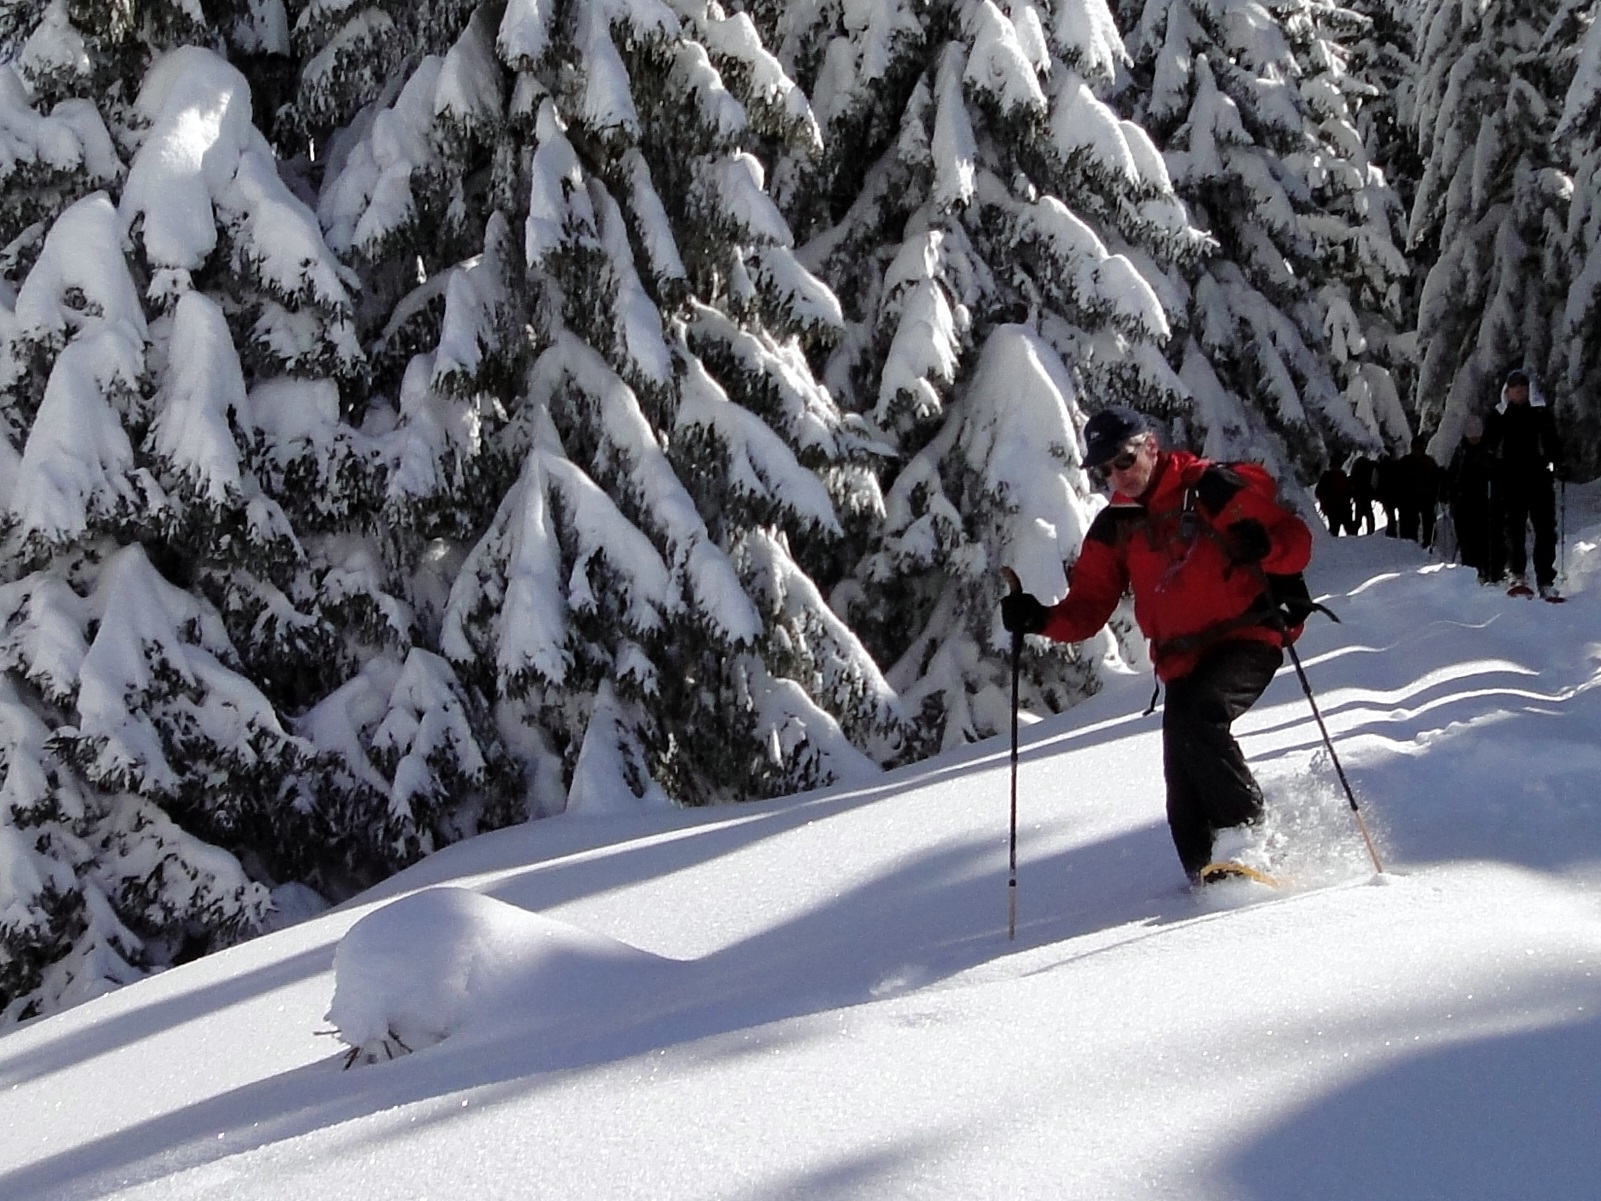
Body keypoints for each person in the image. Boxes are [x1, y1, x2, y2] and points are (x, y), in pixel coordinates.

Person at [1000, 407, 1313, 884]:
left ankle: (1248, 840)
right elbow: (1087, 609)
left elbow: (1297, 541)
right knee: (1184, 798)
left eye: (1123, 461)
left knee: (1198, 717)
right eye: (1104, 470)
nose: (1115, 477)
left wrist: (1265, 546)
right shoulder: (1115, 526)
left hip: (1248, 633)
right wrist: (1039, 618)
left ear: (1151, 446)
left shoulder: (1210, 489)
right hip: (1182, 661)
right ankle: (1214, 884)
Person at [1483, 367, 1565, 599]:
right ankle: (1517, 574)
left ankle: (1545, 579)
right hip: (1510, 480)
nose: (1519, 392)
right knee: (1514, 529)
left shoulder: (1540, 413)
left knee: (1545, 530)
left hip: (1538, 478)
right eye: (1515, 389)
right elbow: (1488, 445)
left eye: (1523, 388)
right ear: (1507, 392)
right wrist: (1489, 463)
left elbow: (1552, 442)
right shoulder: (1498, 415)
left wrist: (1560, 462)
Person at [1445, 414, 1503, 583]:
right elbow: (1453, 475)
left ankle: (1494, 573)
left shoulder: (1489, 450)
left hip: (1487, 503)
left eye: (1477, 435)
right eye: (1471, 436)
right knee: (1468, 541)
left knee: (1490, 540)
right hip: (1465, 504)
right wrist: (1449, 488)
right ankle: (1472, 573)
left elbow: (1499, 473)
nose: (1474, 439)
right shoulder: (1461, 452)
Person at [1396, 435, 1443, 549]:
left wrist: (1440, 479)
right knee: (1409, 523)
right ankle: (1408, 544)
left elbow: (1436, 479)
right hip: (1409, 499)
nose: (1418, 451)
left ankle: (1428, 542)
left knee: (1428, 521)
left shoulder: (1429, 462)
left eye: (1420, 448)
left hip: (1426, 497)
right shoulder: (1405, 462)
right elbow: (1398, 480)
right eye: (1416, 448)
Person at [1314, 464, 1355, 535]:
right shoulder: (1343, 475)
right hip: (1345, 508)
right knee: (1350, 531)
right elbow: (1351, 491)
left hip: (1332, 509)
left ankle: (1334, 545)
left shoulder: (1326, 477)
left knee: (1334, 531)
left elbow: (1318, 492)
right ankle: (1356, 545)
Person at [1348, 454, 1379, 534]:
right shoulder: (1370, 466)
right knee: (1369, 514)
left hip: (1358, 494)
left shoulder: (1357, 468)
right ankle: (1370, 532)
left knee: (1359, 515)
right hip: (1367, 493)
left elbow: (1352, 481)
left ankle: (1354, 532)